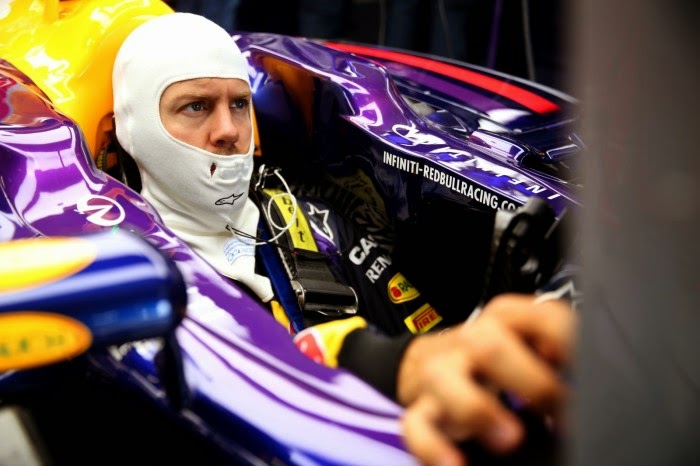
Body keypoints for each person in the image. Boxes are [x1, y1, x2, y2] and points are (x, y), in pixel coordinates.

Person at [111, 12, 576, 466]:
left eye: (238, 104)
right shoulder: (118, 271)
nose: (228, 131)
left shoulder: (311, 218)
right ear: (135, 129)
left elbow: (428, 344)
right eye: (196, 107)